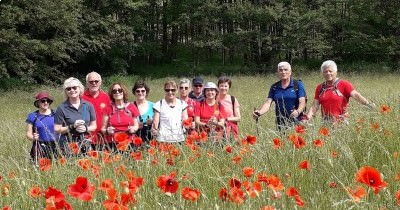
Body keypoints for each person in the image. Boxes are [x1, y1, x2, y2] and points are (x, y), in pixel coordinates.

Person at [303, 60, 375, 125]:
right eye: (325, 72)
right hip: (326, 122)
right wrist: (307, 118)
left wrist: (368, 104)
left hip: (342, 121)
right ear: (322, 74)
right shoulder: (320, 88)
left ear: (336, 72)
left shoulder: (344, 84)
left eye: (330, 71)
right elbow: (315, 106)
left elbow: (356, 95)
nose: (328, 73)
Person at [253, 62, 307, 130]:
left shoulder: (298, 84)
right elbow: (268, 103)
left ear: (290, 72)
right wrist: (259, 112)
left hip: (297, 121)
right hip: (281, 123)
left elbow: (302, 101)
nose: (283, 72)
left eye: (285, 70)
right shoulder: (274, 87)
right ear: (278, 73)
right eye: (280, 70)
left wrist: (298, 111)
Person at [54, 77, 97, 154]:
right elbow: (57, 129)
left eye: (74, 87)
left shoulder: (88, 105)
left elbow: (94, 126)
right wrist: (72, 126)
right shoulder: (61, 108)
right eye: (68, 89)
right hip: (68, 145)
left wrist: (86, 128)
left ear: (80, 89)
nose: (72, 90)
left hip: (85, 143)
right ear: (66, 92)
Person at [101, 82, 140, 150]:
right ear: (112, 94)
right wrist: (107, 131)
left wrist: (133, 129)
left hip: (129, 142)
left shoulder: (131, 107)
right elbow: (103, 129)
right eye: (114, 91)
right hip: (112, 143)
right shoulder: (108, 109)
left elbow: (136, 125)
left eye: (120, 90)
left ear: (123, 92)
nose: (117, 92)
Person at [26, 91, 58, 162]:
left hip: (55, 145)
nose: (46, 103)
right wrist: (33, 137)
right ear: (38, 103)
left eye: (48, 101)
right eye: (43, 101)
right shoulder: (32, 116)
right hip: (39, 146)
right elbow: (28, 134)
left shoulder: (56, 114)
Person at [82, 72, 111, 147]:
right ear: (87, 84)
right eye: (91, 81)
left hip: (103, 137)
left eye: (96, 81)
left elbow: (109, 115)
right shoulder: (81, 97)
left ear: (100, 83)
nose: (94, 83)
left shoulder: (106, 97)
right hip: (87, 137)